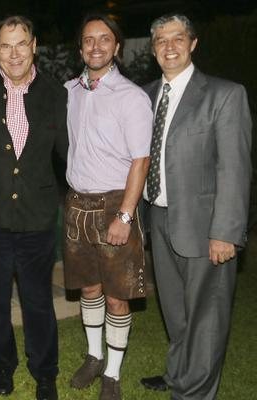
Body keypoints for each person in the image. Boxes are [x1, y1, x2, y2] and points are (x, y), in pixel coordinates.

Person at [138, 14, 251, 400]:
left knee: (206, 317)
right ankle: (178, 373)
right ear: (153, 49)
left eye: (178, 38)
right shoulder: (147, 94)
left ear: (193, 43)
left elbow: (235, 168)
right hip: (160, 218)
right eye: (161, 41)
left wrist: (226, 233)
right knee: (177, 312)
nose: (169, 46)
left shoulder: (225, 94)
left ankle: (194, 392)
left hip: (206, 227)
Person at [0, 16, 67, 400]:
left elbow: (71, 153)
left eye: (21, 44)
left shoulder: (57, 94)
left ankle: (45, 372)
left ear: (34, 45)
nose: (14, 53)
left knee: (38, 302)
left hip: (37, 218)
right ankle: (2, 367)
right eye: (6, 45)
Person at [63, 14, 153, 400]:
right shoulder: (70, 91)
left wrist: (125, 216)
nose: (95, 46)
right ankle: (94, 355)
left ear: (117, 47)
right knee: (89, 288)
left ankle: (112, 374)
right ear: (80, 47)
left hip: (115, 204)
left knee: (117, 295)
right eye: (88, 40)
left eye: (104, 39)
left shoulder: (131, 97)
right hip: (76, 204)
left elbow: (141, 161)